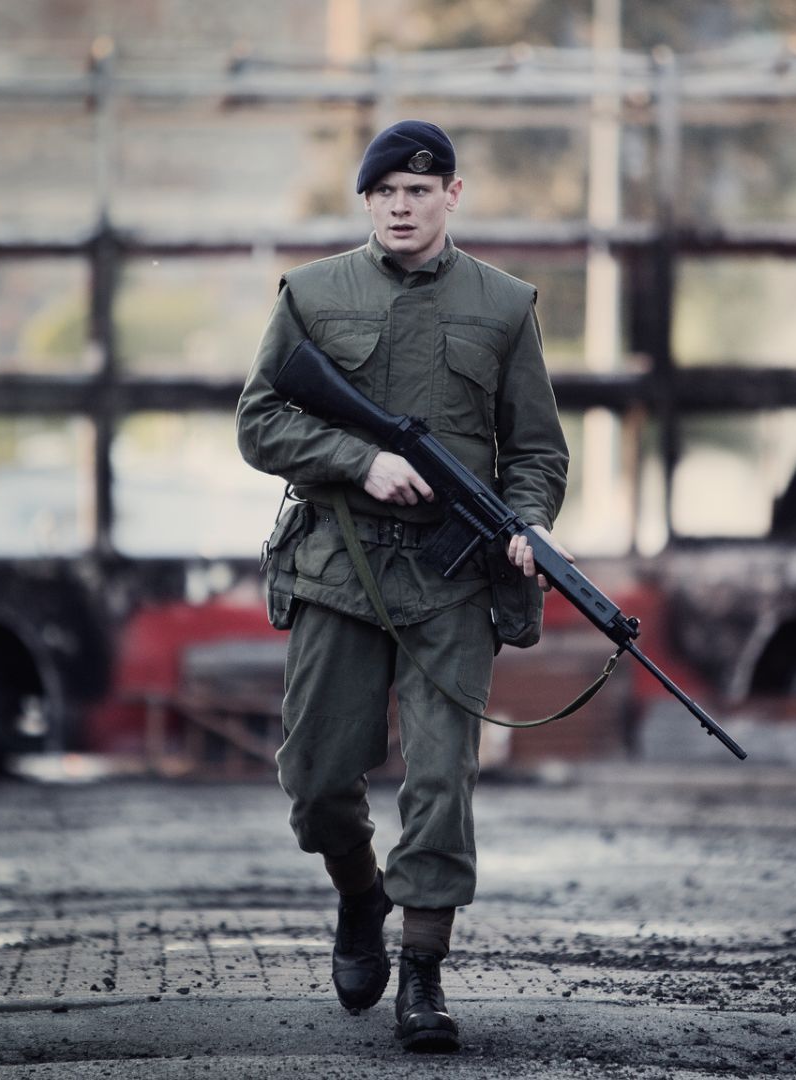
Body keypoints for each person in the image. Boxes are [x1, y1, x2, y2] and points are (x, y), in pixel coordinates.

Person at [236, 119, 569, 1053]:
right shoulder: (312, 293)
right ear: (368, 200)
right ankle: (358, 893)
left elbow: (536, 449)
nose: (402, 206)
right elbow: (259, 424)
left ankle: (422, 972)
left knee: (441, 783)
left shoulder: (504, 306)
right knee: (314, 779)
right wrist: (358, 459)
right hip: (340, 568)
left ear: (452, 196)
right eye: (386, 193)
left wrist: (530, 521)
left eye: (421, 192)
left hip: (453, 576)